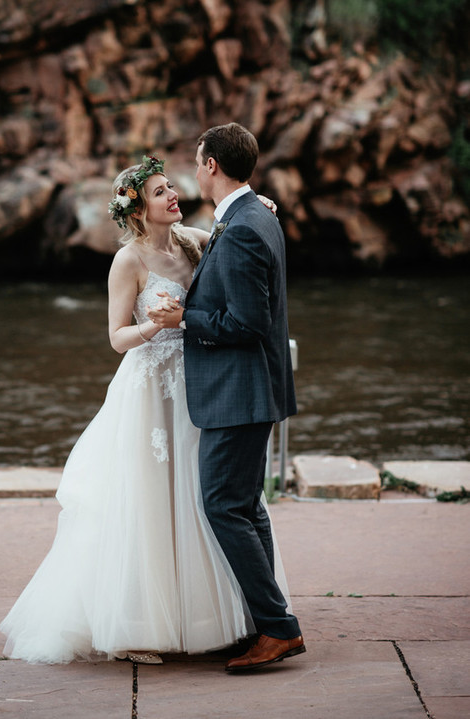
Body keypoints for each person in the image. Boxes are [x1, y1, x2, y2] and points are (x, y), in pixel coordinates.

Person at [0, 154, 291, 665]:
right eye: (160, 192)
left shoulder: (193, 241)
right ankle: (137, 623)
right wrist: (158, 325)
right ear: (137, 210)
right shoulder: (128, 261)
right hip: (151, 391)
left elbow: (235, 236)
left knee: (201, 499)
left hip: (201, 388)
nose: (174, 195)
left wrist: (257, 204)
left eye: (171, 186)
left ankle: (212, 618)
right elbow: (117, 338)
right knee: (148, 502)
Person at [148, 123, 305, 673]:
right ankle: (269, 623)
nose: (194, 171)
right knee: (244, 505)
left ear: (212, 164)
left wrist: (183, 319)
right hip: (250, 389)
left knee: (221, 504)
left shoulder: (241, 228)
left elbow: (246, 322)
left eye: (197, 161)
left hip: (239, 393)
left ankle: (278, 629)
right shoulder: (252, 215)